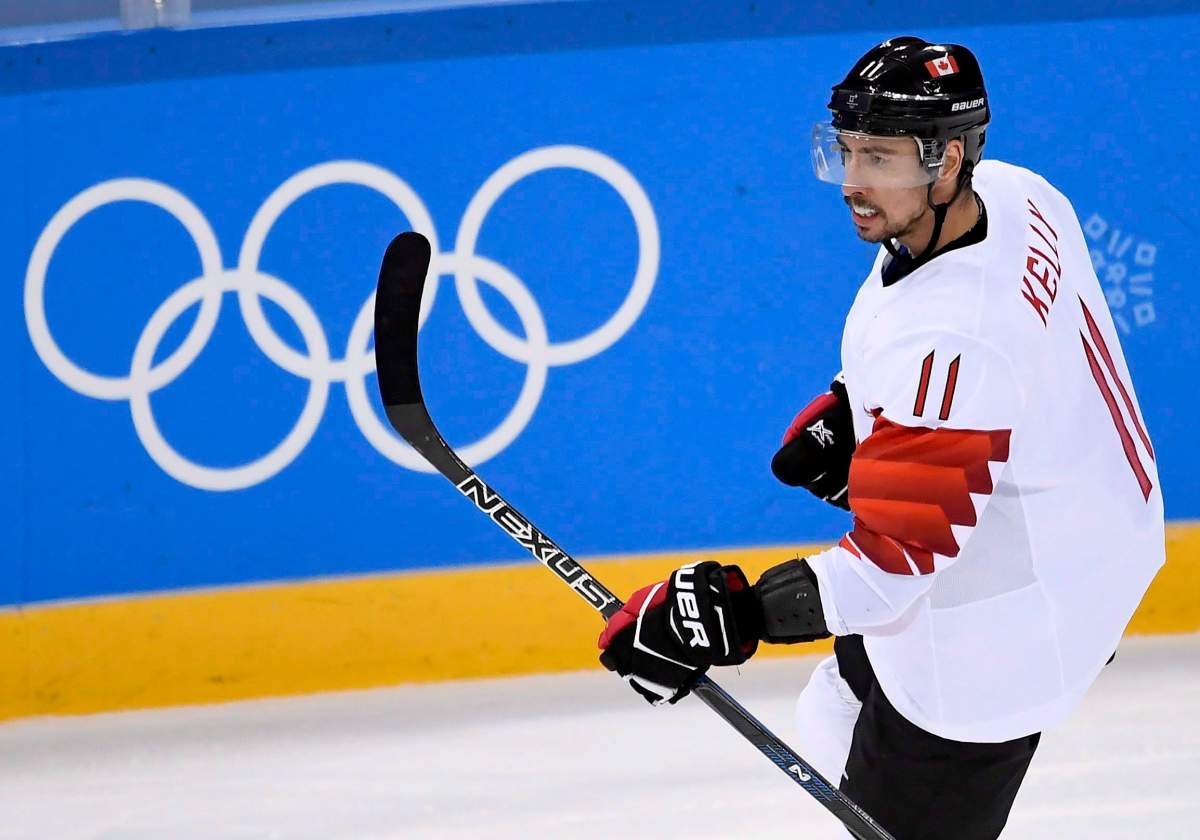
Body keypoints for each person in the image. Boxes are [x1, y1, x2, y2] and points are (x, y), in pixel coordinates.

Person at [597, 36, 1165, 839]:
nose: (852, 182)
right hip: (1093, 539)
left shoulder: (953, 340)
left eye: (880, 158)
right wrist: (860, 406)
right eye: (847, 150)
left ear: (948, 158)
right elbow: (1013, 363)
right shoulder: (1015, 194)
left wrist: (726, 616)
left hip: (1006, 640)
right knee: (832, 709)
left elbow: (890, 572)